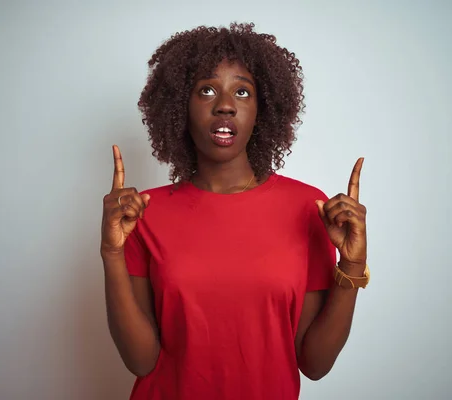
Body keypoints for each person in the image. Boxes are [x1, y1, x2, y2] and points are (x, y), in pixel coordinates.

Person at [100, 22, 370, 400]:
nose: (225, 104)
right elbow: (141, 361)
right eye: (207, 90)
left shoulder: (309, 208)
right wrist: (111, 254)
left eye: (242, 91)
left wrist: (352, 265)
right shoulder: (144, 213)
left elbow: (315, 364)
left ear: (262, 109)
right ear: (181, 106)